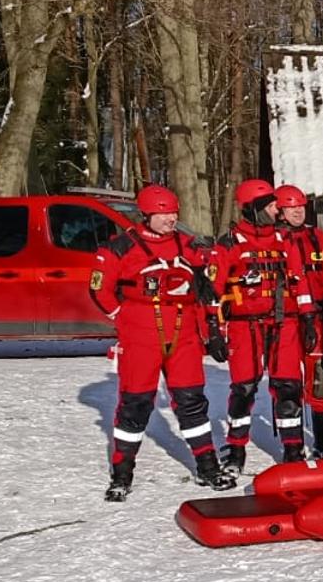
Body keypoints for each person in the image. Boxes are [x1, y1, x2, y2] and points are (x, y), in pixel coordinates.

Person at [91, 185, 234, 499]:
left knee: (192, 401)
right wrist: (122, 317)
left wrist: (212, 329)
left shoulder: (188, 246)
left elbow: (208, 287)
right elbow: (99, 290)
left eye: (173, 212)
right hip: (141, 335)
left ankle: (208, 467)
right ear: (146, 214)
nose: (171, 219)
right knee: (135, 404)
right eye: (163, 213)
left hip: (183, 335)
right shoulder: (120, 247)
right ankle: (122, 473)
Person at [211, 179, 316, 472]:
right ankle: (235, 448)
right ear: (255, 208)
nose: (277, 210)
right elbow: (212, 289)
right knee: (243, 387)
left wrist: (308, 318)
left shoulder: (285, 241)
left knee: (289, 387)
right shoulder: (229, 244)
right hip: (245, 325)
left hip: (285, 324)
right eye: (271, 206)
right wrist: (213, 331)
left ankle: (293, 447)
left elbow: (300, 281)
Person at [276, 184, 323, 458]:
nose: (298, 212)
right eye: (291, 208)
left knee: (322, 380)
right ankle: (292, 447)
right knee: (287, 383)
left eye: (301, 207)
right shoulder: (271, 240)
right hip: (285, 321)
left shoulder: (320, 238)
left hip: (318, 318)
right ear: (279, 211)